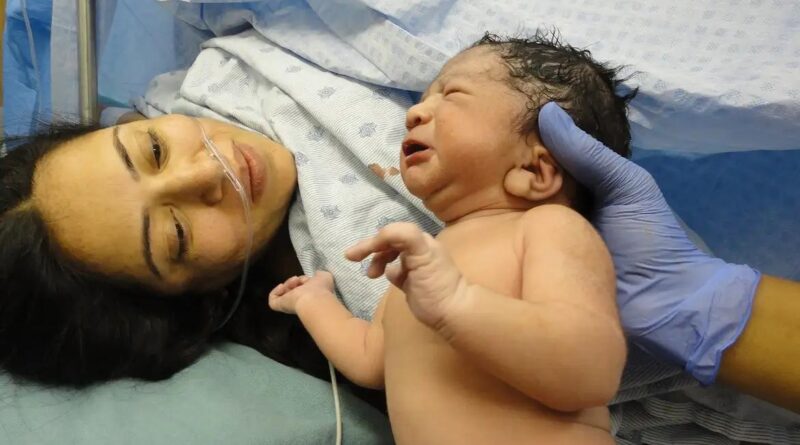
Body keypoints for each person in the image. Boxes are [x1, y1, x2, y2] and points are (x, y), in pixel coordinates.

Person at [0, 36, 797, 419]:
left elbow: (586, 371)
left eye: (151, 147)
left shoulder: (255, 67)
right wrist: (317, 301)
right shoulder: (376, 279)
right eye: (174, 236)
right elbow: (378, 356)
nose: (204, 172)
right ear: (193, 302)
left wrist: (701, 308)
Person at [267, 34, 628, 444]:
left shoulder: (550, 228)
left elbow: (587, 373)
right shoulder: (424, 264)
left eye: (452, 94)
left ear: (535, 171)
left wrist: (458, 303)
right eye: (423, 99)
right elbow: (370, 358)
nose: (414, 113)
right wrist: (314, 301)